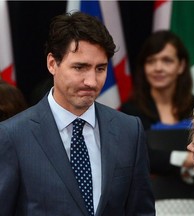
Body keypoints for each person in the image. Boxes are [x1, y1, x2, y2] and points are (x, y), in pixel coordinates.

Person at [0, 11, 155, 216]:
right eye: (80, 67)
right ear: (52, 63)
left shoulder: (129, 130)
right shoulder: (13, 136)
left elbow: (140, 211)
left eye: (100, 68)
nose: (91, 81)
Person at [120, 30, 194, 212]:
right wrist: (183, 159)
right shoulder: (130, 110)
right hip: (149, 204)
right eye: (151, 61)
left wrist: (166, 161)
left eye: (167, 60)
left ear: (181, 66)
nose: (158, 68)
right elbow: (141, 156)